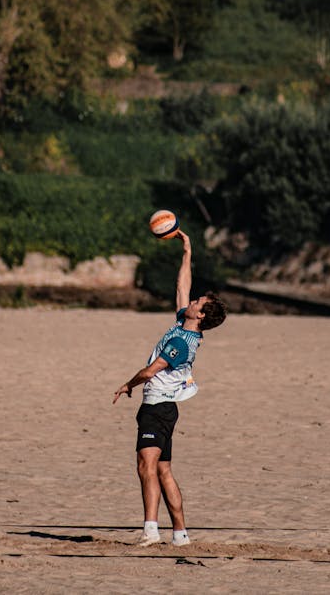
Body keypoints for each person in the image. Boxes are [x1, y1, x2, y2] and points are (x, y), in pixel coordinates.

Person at [113, 229, 226, 547]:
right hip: (165, 408)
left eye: (197, 302)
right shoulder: (184, 323)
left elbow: (150, 371)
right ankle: (180, 534)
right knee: (163, 471)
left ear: (200, 315)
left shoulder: (181, 341)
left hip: (158, 408)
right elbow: (182, 286)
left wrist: (127, 384)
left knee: (145, 465)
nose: (191, 301)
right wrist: (187, 250)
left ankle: (150, 530)